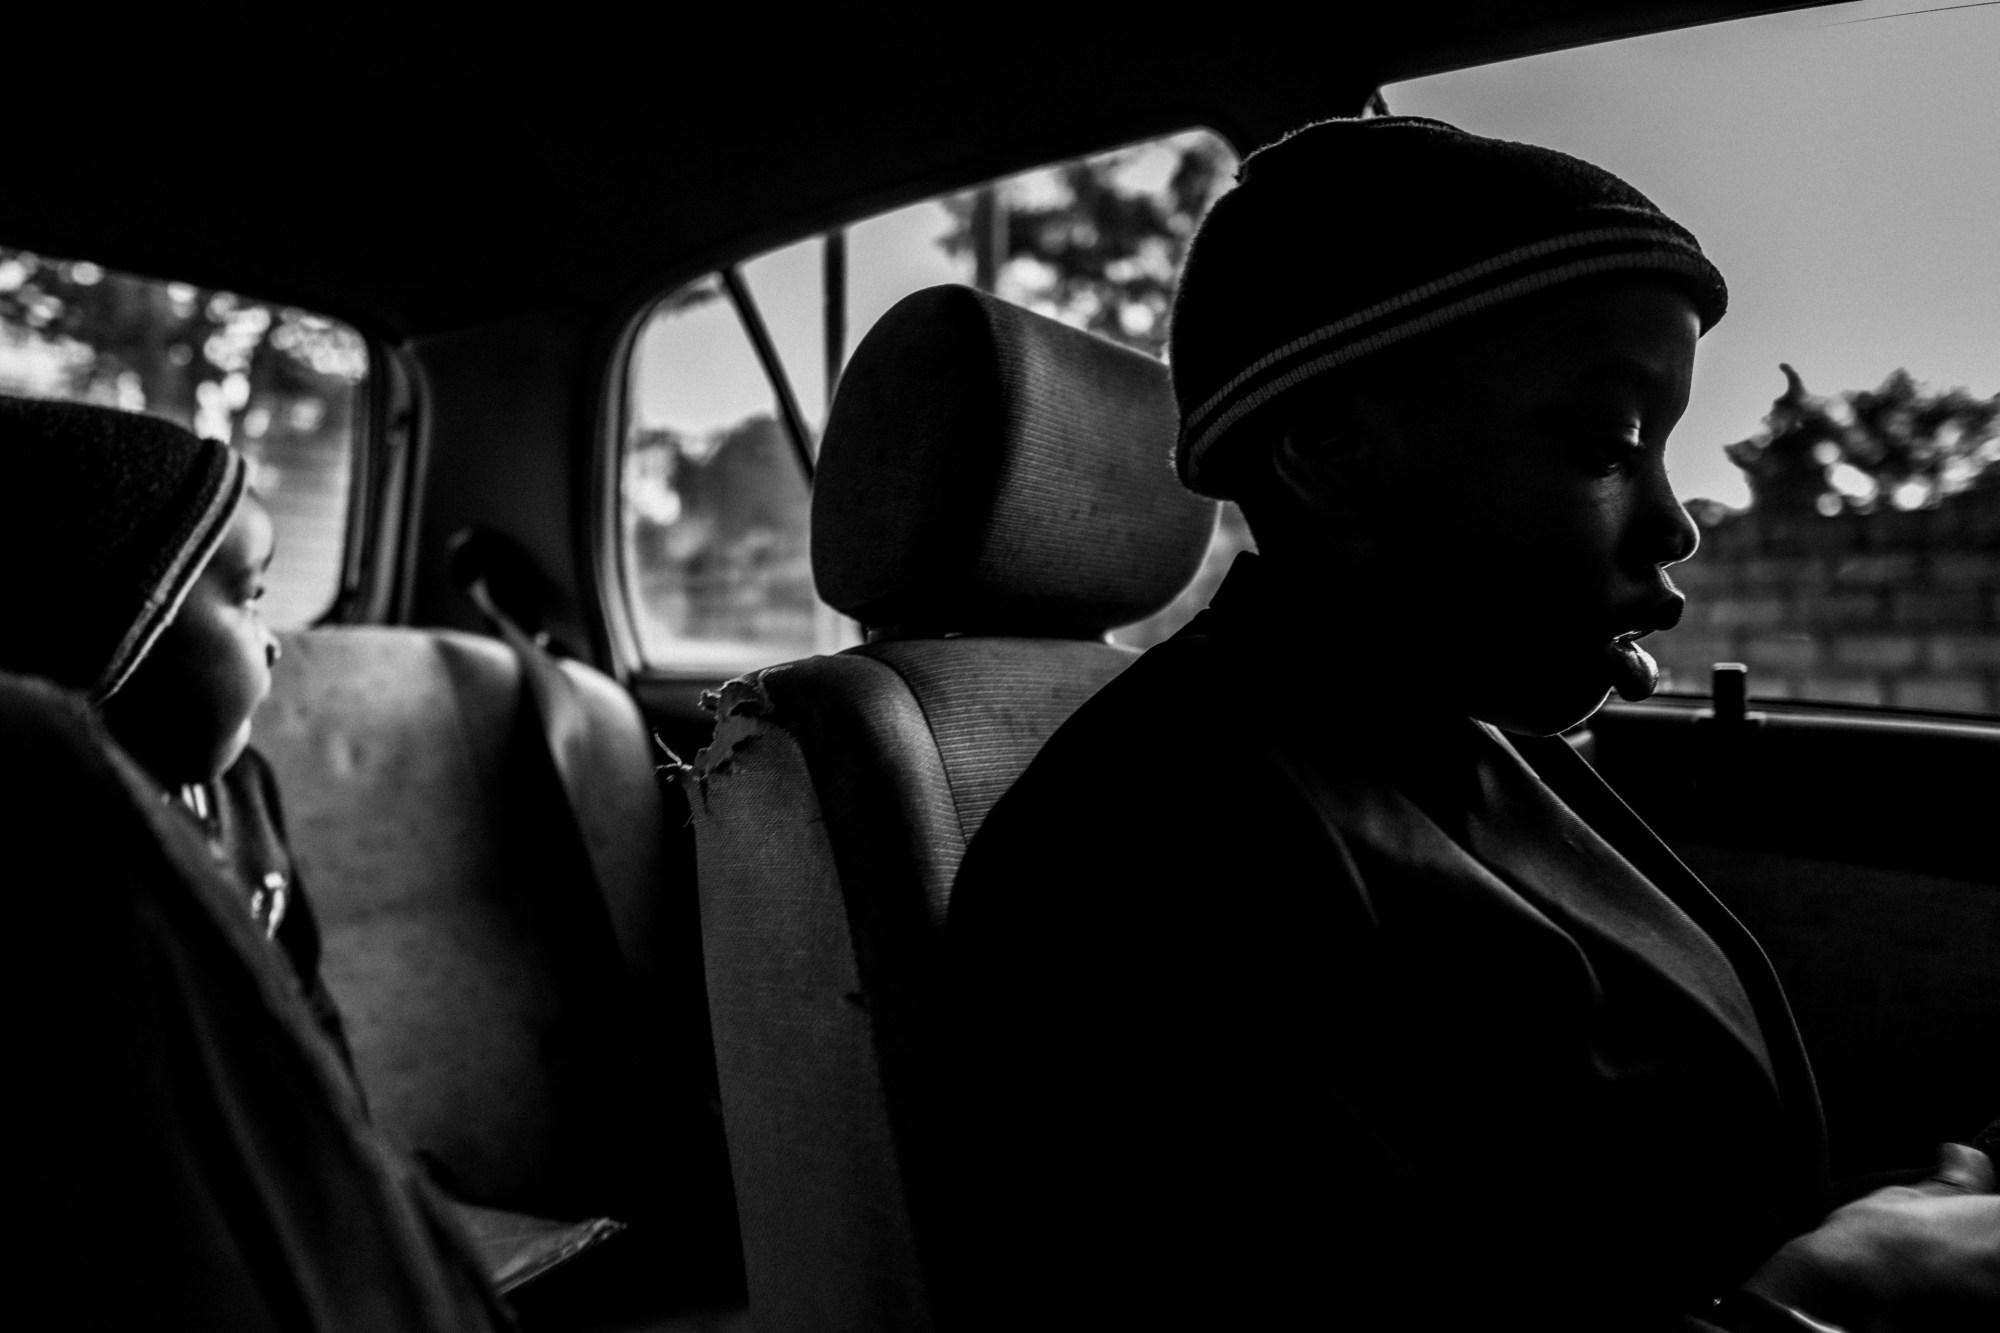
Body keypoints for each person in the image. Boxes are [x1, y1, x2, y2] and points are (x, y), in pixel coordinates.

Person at [945, 118, 1999, 1332]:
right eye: (1607, 443)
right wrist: (1833, 1294)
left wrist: (1932, 1204)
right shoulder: (1142, 855)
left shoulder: (1473, 740)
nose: (1676, 522)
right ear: (1329, 454)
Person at [0, 394, 512, 1330]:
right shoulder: (49, 871)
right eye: (246, 595)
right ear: (118, 630)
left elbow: (303, 1005)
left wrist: (352, 1160)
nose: (276, 638)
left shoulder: (245, 791)